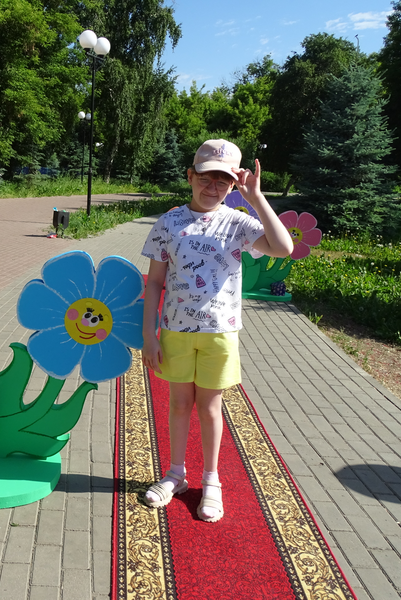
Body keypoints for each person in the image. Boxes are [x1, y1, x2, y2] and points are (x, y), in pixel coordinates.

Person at [140, 139, 293, 522]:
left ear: (233, 184)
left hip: (219, 334)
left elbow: (283, 247)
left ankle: (211, 481)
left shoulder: (238, 223)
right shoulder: (168, 223)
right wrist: (148, 335)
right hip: (175, 331)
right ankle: (176, 474)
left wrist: (256, 198)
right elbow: (155, 282)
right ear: (190, 176)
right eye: (206, 177)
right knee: (179, 404)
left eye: (223, 180)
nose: (213, 187)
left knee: (210, 408)